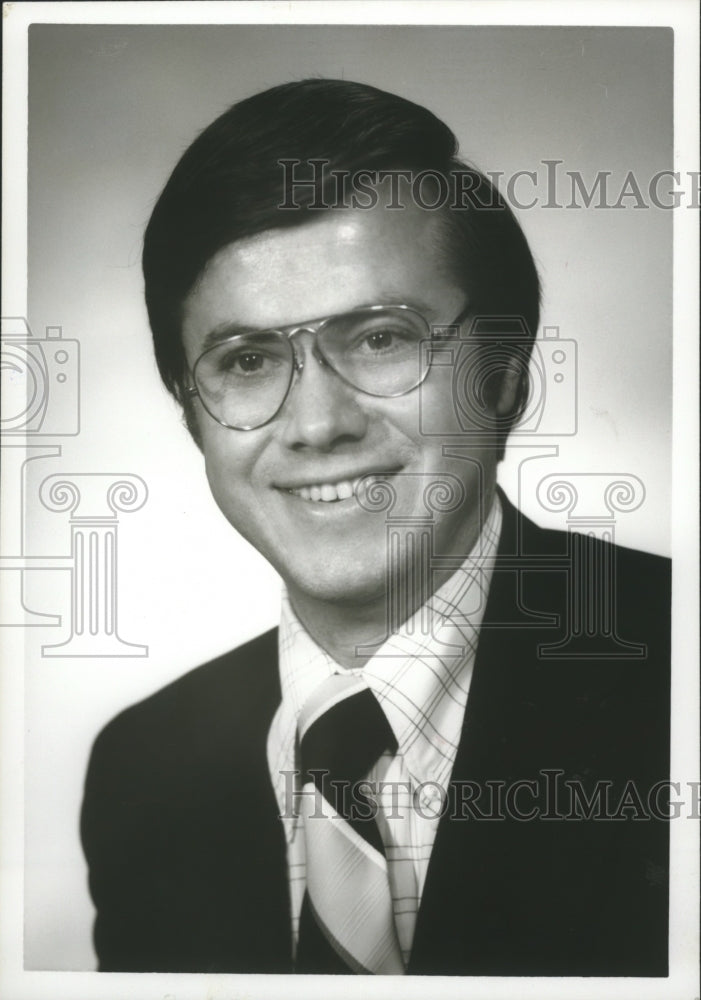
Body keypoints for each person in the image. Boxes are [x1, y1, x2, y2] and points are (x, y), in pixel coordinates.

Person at [80, 79, 670, 976]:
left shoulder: (677, 672)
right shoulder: (142, 768)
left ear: (506, 373)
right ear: (189, 409)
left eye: (382, 339)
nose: (318, 424)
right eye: (246, 360)